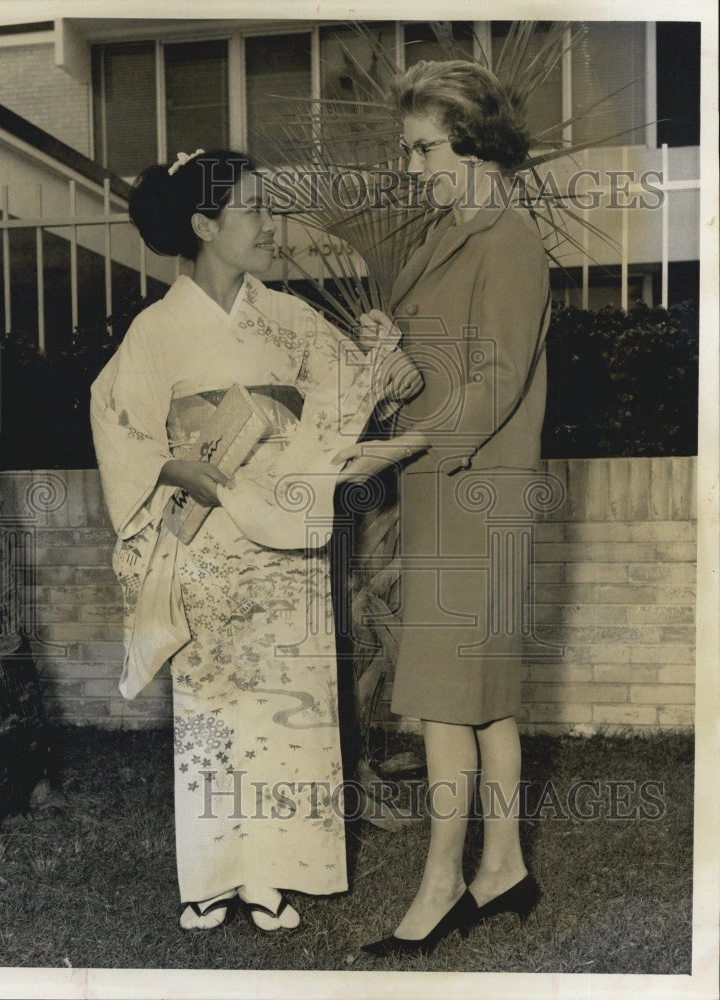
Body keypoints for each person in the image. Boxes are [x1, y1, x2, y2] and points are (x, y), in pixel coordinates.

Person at [90, 149, 424, 934]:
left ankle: (274, 872)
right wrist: (175, 464)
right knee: (213, 706)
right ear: (205, 225)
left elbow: (356, 400)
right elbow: (118, 420)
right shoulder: (156, 330)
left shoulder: (290, 317)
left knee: (290, 705)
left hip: (290, 530)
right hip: (207, 532)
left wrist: (379, 351)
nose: (269, 225)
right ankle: (210, 875)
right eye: (251, 209)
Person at [360, 60, 551, 957]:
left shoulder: (507, 239)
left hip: (476, 490)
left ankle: (441, 883)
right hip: (450, 484)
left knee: (445, 699)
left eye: (426, 147)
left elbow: (498, 380)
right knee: (482, 701)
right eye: (410, 148)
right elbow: (445, 365)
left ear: (475, 142)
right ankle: (503, 865)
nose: (414, 165)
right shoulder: (450, 228)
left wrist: (405, 438)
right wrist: (392, 358)